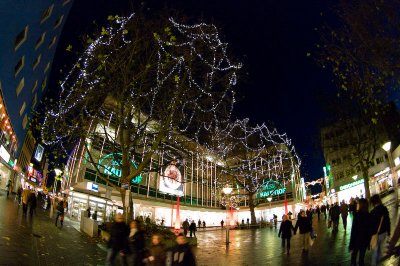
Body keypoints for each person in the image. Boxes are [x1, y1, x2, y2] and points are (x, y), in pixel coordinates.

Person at [369, 194, 390, 266]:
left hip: (374, 234)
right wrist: (389, 232)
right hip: (383, 232)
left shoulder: (372, 212)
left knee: (375, 251)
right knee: (380, 250)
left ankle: (374, 264)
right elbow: (387, 221)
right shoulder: (384, 208)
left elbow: (370, 226)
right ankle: (378, 263)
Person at [349, 198, 370, 266]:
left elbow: (354, 230)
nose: (357, 205)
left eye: (358, 204)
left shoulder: (357, 215)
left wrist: (351, 244)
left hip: (356, 240)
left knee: (353, 258)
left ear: (361, 205)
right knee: (361, 259)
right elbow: (369, 229)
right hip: (364, 240)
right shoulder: (368, 214)